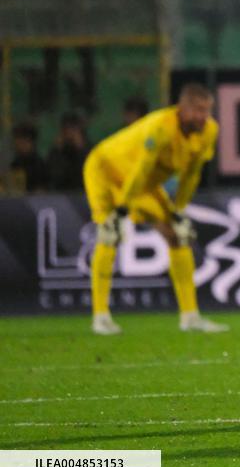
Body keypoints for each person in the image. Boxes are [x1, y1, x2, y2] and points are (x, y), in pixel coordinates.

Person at [83, 83, 227, 335]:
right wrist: (122, 209)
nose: (204, 116)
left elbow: (191, 175)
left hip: (142, 182)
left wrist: (178, 210)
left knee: (177, 234)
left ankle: (190, 317)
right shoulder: (161, 127)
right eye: (198, 110)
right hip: (106, 170)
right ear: (182, 108)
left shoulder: (208, 132)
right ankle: (101, 317)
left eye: (207, 110)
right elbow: (141, 169)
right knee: (110, 232)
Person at [48, 112, 89, 191]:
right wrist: (57, 150)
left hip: (82, 193)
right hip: (60, 194)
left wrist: (81, 149)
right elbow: (54, 176)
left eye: (73, 129)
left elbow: (86, 174)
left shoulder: (87, 148)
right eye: (66, 129)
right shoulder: (57, 150)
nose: (69, 133)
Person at [9, 122, 48, 194]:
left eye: (21, 140)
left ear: (30, 142)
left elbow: (42, 190)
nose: (17, 144)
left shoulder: (39, 164)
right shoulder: (15, 163)